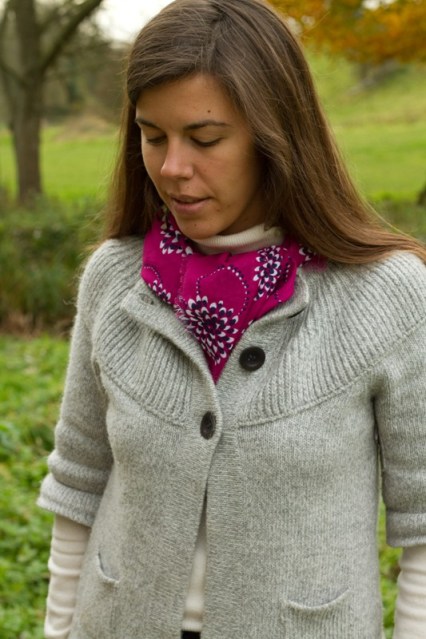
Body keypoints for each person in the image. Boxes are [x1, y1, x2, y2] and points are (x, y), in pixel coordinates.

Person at [38, 0, 426, 637]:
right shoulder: (115, 278)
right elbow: (79, 484)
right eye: (153, 136)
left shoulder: (385, 295)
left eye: (205, 139)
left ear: (276, 135)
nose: (172, 168)